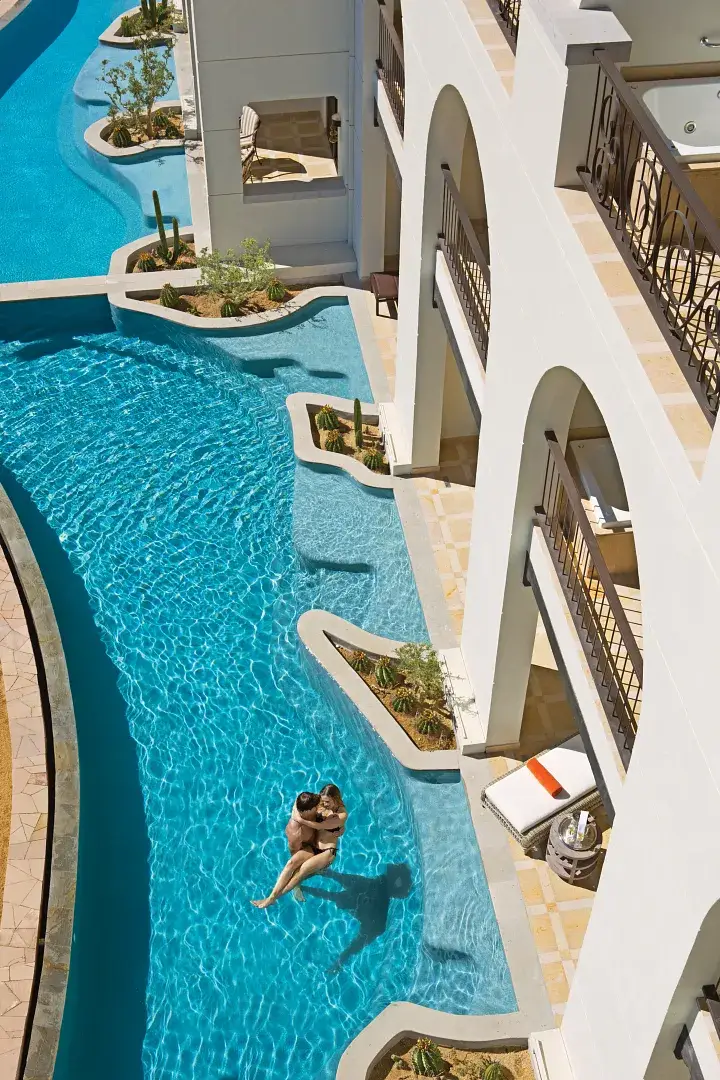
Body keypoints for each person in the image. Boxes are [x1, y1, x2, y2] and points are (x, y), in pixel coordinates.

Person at [252, 784, 347, 910]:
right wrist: (295, 813)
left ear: (335, 798)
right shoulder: (322, 802)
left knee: (300, 872)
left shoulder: (341, 814)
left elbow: (320, 826)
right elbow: (299, 803)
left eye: (327, 802)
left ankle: (271, 899)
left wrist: (299, 819)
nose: (324, 804)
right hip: (313, 847)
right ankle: (271, 896)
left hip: (326, 852)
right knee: (291, 864)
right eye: (323, 801)